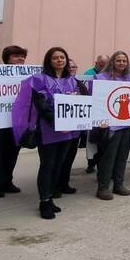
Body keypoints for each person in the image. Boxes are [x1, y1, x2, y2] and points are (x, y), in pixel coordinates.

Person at [12, 47, 81, 219]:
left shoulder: (72, 81)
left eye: (62, 57)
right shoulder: (39, 79)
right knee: (47, 165)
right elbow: (42, 106)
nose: (60, 60)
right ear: (49, 61)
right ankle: (44, 201)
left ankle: (50, 197)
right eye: (55, 58)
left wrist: (72, 123)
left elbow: (79, 103)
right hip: (48, 129)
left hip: (67, 130)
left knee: (59, 165)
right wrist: (58, 123)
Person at [92, 51, 130, 200]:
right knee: (108, 157)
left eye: (124, 61)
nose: (121, 63)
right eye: (118, 60)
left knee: (122, 156)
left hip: (127, 124)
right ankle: (103, 187)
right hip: (109, 126)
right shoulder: (101, 78)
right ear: (112, 62)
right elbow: (95, 99)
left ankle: (118, 184)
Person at [0, 45, 27, 198]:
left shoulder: (27, 75)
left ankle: (7, 182)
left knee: (12, 153)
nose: (20, 59)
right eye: (16, 56)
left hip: (16, 122)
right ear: (7, 58)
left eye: (22, 56)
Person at [53, 58, 85, 199]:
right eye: (69, 66)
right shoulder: (55, 82)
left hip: (75, 130)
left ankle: (64, 183)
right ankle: (53, 187)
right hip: (59, 129)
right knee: (57, 160)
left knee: (69, 158)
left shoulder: (79, 84)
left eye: (74, 67)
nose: (72, 69)